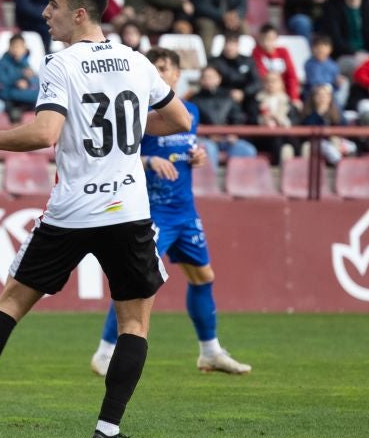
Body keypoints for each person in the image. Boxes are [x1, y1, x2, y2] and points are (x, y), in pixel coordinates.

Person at [0, 0, 188, 438]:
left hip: (75, 210)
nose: (46, 13)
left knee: (11, 304)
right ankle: (108, 434)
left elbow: (44, 134)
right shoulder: (137, 62)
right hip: (129, 209)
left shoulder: (61, 64)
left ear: (80, 13)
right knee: (135, 324)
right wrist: (133, 130)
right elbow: (178, 118)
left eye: (54, 5)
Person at [86, 47, 252, 378]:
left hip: (184, 211)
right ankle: (104, 353)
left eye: (163, 68)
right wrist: (148, 161)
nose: (158, 74)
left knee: (203, 277)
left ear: (177, 74)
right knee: (136, 282)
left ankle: (210, 352)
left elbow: (185, 149)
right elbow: (115, 157)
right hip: (150, 211)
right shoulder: (137, 113)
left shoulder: (188, 111)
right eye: (153, 68)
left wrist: (198, 156)